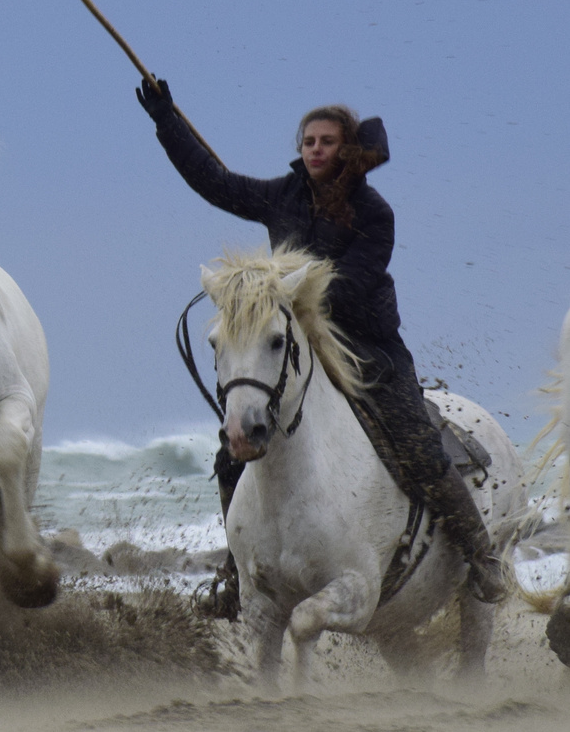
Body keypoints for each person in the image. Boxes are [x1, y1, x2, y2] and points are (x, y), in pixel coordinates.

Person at [137, 79, 507, 618]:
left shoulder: (374, 212)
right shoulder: (280, 196)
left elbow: (352, 286)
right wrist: (166, 119)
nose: (314, 149)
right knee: (231, 453)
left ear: (347, 151)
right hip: (287, 347)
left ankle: (481, 554)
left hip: (366, 349)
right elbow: (214, 181)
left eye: (326, 141)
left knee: (419, 445)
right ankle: (238, 571)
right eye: (307, 140)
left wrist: (285, 286)